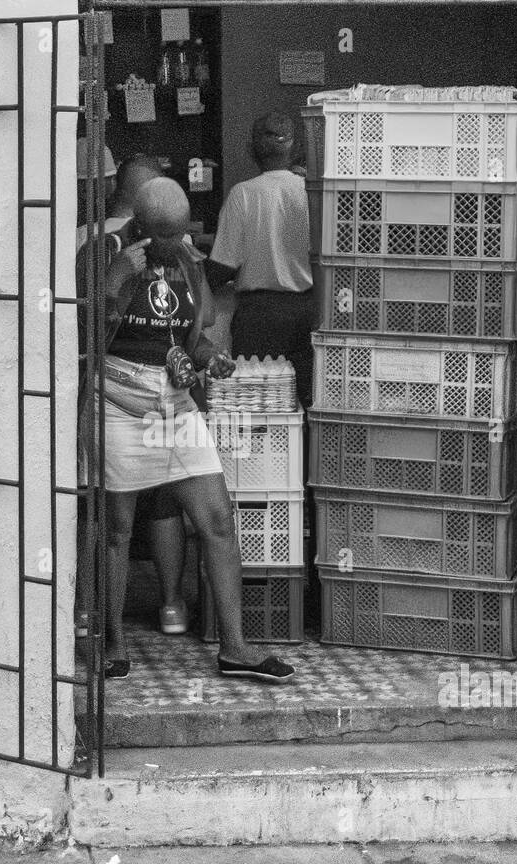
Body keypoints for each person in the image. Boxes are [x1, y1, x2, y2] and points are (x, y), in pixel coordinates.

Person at [84, 177, 297, 682]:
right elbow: (83, 329)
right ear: (139, 224)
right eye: (162, 235)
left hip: (174, 410)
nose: (173, 244)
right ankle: (113, 642)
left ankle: (236, 648)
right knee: (117, 530)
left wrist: (211, 358)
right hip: (120, 405)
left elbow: (194, 336)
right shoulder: (104, 252)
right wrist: (115, 279)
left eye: (179, 234)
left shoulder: (184, 260)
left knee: (218, 521)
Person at [75, 155, 192, 638]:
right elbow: (196, 320)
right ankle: (170, 606)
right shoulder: (172, 246)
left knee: (98, 505)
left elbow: (75, 315)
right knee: (160, 501)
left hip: (110, 387)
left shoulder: (84, 235)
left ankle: (86, 611)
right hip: (131, 388)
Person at [206, 111, 315, 411]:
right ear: (294, 148)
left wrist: (191, 275)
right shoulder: (311, 191)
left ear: (252, 149)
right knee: (309, 400)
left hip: (259, 317)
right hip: (309, 311)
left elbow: (222, 266)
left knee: (259, 407)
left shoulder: (243, 195)